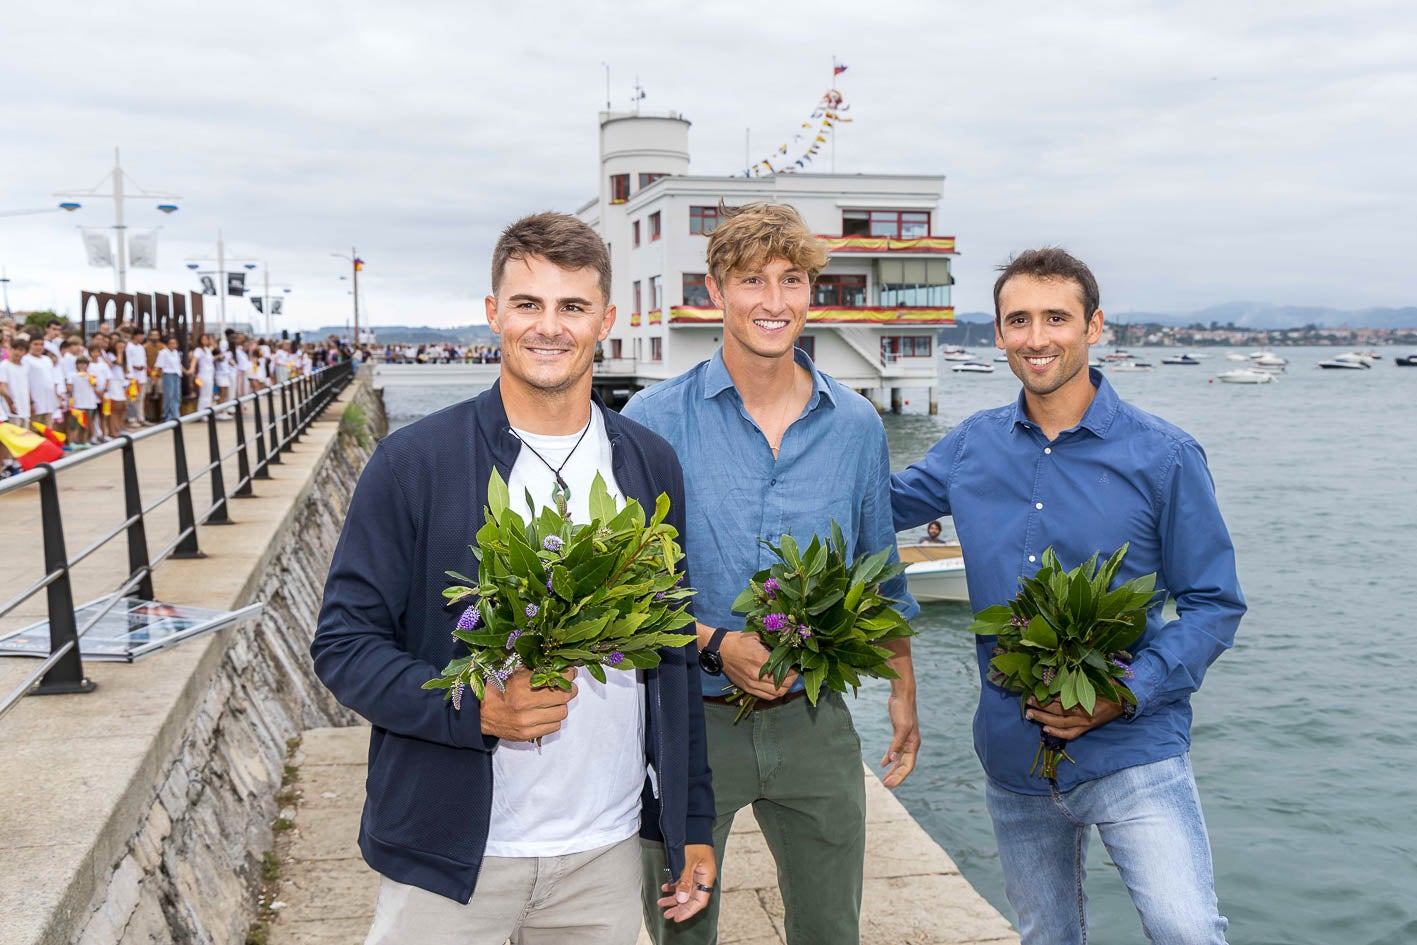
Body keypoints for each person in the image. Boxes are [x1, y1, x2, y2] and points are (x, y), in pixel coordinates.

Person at [311, 211, 716, 945]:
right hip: (452, 853)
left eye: (572, 306)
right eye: (527, 304)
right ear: (493, 312)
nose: (548, 327)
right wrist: (475, 710)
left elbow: (673, 651)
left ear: (606, 320)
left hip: (606, 849)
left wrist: (690, 821)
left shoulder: (650, 463)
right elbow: (343, 646)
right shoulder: (413, 462)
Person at [891, 248, 1244, 945]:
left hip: (1132, 744)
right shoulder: (970, 446)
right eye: (1017, 319)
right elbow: (868, 504)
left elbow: (1212, 602)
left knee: (1186, 928)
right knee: (1044, 936)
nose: (1036, 336)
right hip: (1012, 755)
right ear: (996, 333)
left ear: (1094, 325)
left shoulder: (1163, 456)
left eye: (1055, 317)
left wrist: (1124, 688)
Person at [623, 202, 921, 945]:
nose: (773, 300)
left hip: (815, 719)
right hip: (686, 723)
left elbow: (877, 568)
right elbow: (624, 593)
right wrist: (717, 642)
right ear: (716, 289)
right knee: (681, 935)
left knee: (829, 929)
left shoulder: (854, 425)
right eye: (751, 279)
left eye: (791, 279)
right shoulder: (651, 419)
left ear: (811, 291)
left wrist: (903, 689)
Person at [0, 336, 32, 428]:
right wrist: (11, 403)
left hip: (25, 410)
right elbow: (2, 387)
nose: (17, 352)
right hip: (11, 411)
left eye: (21, 350)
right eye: (15, 349)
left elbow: (26, 387)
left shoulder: (26, 366)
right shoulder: (4, 366)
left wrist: (30, 402)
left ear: (25, 352)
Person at [155, 335, 184, 422]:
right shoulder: (163, 352)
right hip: (168, 374)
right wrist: (155, 376)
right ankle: (166, 415)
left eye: (174, 343)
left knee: (176, 395)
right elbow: (158, 365)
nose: (173, 345)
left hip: (176, 375)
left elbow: (179, 365)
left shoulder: (176, 353)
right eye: (171, 343)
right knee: (169, 395)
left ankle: (175, 414)